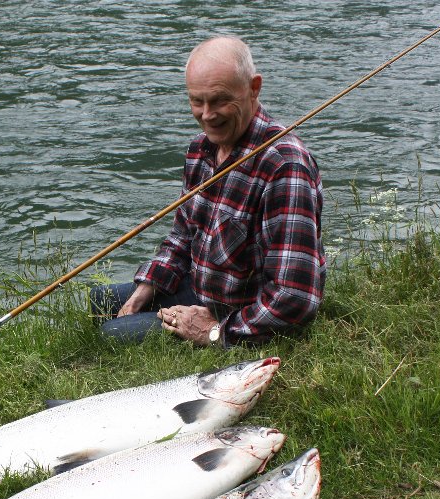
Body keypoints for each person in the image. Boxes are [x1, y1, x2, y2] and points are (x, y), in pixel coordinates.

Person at [92, 36, 325, 347]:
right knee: (100, 301)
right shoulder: (199, 150)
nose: (206, 114)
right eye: (196, 101)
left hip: (240, 310)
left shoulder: (285, 164)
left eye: (219, 100)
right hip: (202, 287)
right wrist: (145, 290)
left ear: (254, 88)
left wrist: (216, 332)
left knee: (113, 336)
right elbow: (182, 237)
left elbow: (295, 295)